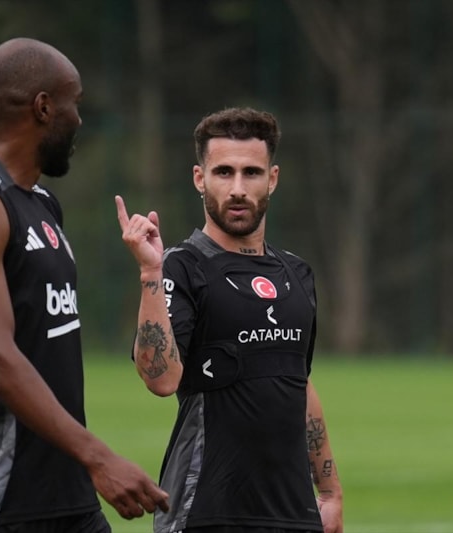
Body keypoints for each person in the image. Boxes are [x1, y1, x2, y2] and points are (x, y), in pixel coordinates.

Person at [0, 37, 169, 533]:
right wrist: (99, 457)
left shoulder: (41, 203)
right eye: (75, 103)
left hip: (66, 493)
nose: (79, 119)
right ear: (44, 107)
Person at [115, 107, 344, 533]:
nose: (238, 188)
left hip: (293, 515)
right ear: (200, 178)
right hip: (206, 512)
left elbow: (300, 382)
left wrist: (329, 491)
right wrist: (150, 273)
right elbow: (160, 379)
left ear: (272, 179)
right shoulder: (182, 267)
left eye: (251, 173)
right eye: (224, 172)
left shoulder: (297, 274)